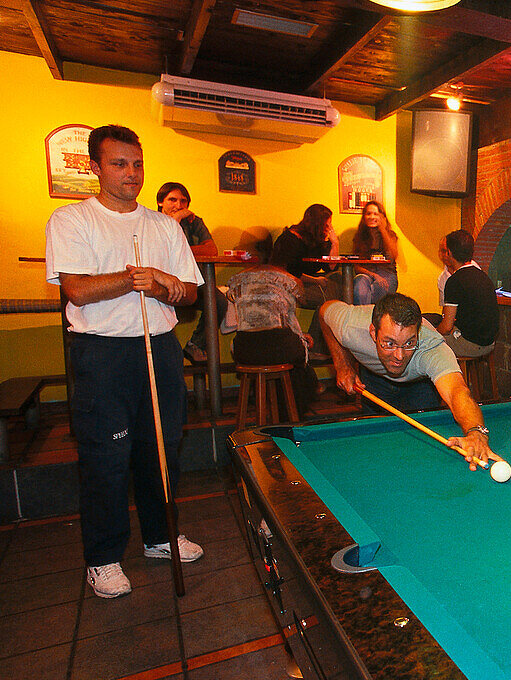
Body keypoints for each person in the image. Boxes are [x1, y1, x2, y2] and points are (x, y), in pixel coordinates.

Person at [45, 125, 205, 599]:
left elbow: (190, 293)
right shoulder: (72, 220)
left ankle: (160, 537)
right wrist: (145, 276)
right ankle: (103, 558)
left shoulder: (164, 225)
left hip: (158, 345)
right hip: (103, 351)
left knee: (161, 448)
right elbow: (76, 288)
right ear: (95, 167)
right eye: (119, 164)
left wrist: (162, 285)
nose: (131, 173)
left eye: (136, 164)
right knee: (106, 457)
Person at [319, 292, 499, 469]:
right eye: (389, 343)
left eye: (409, 343)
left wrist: (476, 432)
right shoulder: (351, 326)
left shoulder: (432, 348)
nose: (399, 355)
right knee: (376, 450)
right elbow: (324, 311)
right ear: (373, 333)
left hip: (419, 386)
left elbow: (457, 392)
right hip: (373, 382)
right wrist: (342, 364)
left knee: (423, 456)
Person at [226, 264, 319, 414]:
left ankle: (266, 404)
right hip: (279, 348)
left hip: (245, 350)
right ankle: (292, 414)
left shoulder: (235, 280)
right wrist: (301, 338)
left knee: (281, 347)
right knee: (297, 359)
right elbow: (293, 315)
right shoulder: (290, 280)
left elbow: (235, 323)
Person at [156, 182, 228, 363]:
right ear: (160, 202)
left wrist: (181, 249)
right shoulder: (152, 222)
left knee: (218, 300)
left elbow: (211, 250)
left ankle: (195, 344)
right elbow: (160, 251)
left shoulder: (194, 222)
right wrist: (175, 221)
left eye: (183, 201)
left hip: (191, 281)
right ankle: (161, 359)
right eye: (172, 199)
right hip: (161, 283)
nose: (178, 205)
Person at [269, 203, 342, 353]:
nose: (329, 227)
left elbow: (331, 266)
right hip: (284, 285)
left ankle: (315, 344)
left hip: (303, 281)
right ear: (318, 223)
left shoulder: (315, 240)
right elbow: (291, 271)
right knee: (329, 300)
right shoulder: (291, 239)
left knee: (337, 283)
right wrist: (316, 281)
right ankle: (315, 346)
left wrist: (335, 243)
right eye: (327, 224)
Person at [434, 229, 498, 357]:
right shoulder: (483, 276)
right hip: (490, 343)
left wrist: (434, 332)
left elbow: (446, 327)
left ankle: (448, 376)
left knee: (429, 343)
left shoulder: (454, 281)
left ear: (450, 253)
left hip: (470, 344)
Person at [351, 200, 399, 305]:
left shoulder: (390, 235)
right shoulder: (359, 237)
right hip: (366, 273)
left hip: (387, 273)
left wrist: (383, 230)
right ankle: (362, 318)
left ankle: (371, 318)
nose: (372, 217)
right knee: (359, 285)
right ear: (364, 217)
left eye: (376, 214)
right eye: (368, 214)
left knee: (379, 288)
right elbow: (356, 266)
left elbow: (394, 255)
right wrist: (373, 275)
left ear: (382, 217)